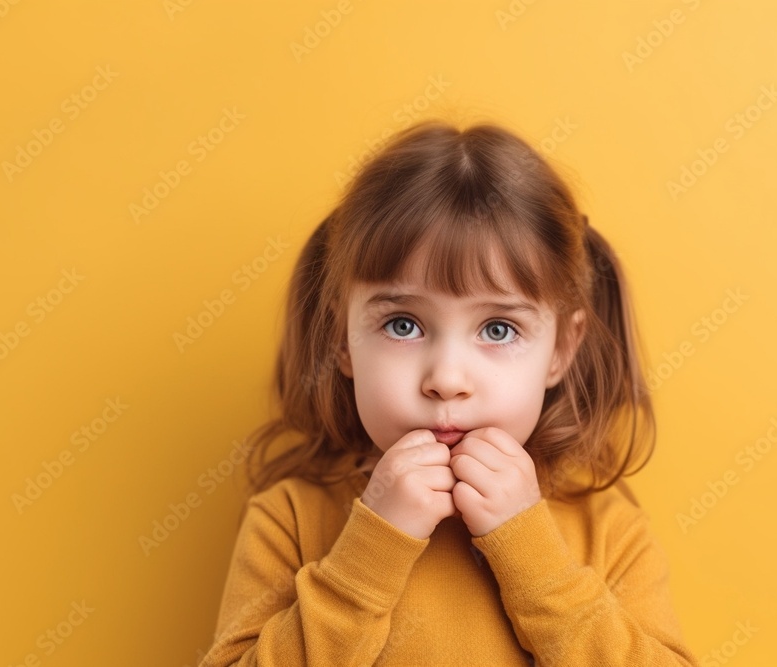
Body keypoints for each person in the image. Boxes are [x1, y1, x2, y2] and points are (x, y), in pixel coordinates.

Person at [199, 119, 699, 666]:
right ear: (342, 337)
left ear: (560, 350)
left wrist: (534, 558)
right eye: (403, 324)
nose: (447, 379)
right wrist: (371, 551)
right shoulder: (290, 517)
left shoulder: (607, 529)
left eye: (498, 329)